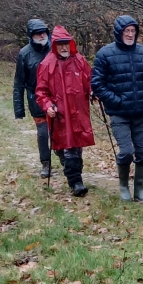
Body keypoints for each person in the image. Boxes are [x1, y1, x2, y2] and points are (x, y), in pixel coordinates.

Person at [91, 14, 143, 202]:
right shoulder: (105, 54)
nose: (130, 34)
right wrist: (115, 101)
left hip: (141, 113)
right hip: (119, 113)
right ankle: (123, 186)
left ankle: (139, 190)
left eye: (133, 31)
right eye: (126, 31)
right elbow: (97, 83)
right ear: (119, 33)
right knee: (126, 151)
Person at [34, 25, 95, 196]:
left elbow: (90, 80)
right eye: (60, 44)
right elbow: (41, 92)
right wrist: (47, 106)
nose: (63, 47)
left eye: (66, 43)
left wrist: (93, 91)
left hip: (79, 112)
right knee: (67, 146)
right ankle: (76, 181)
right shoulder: (47, 64)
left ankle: (76, 178)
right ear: (54, 45)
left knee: (77, 146)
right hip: (60, 115)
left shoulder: (80, 60)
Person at [13, 18, 52, 177]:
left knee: (58, 132)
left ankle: (64, 158)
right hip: (36, 100)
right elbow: (19, 82)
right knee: (43, 133)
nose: (41, 35)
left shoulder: (54, 48)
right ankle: (45, 163)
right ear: (31, 35)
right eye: (37, 33)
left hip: (56, 99)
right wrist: (19, 109)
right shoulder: (25, 53)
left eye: (43, 32)